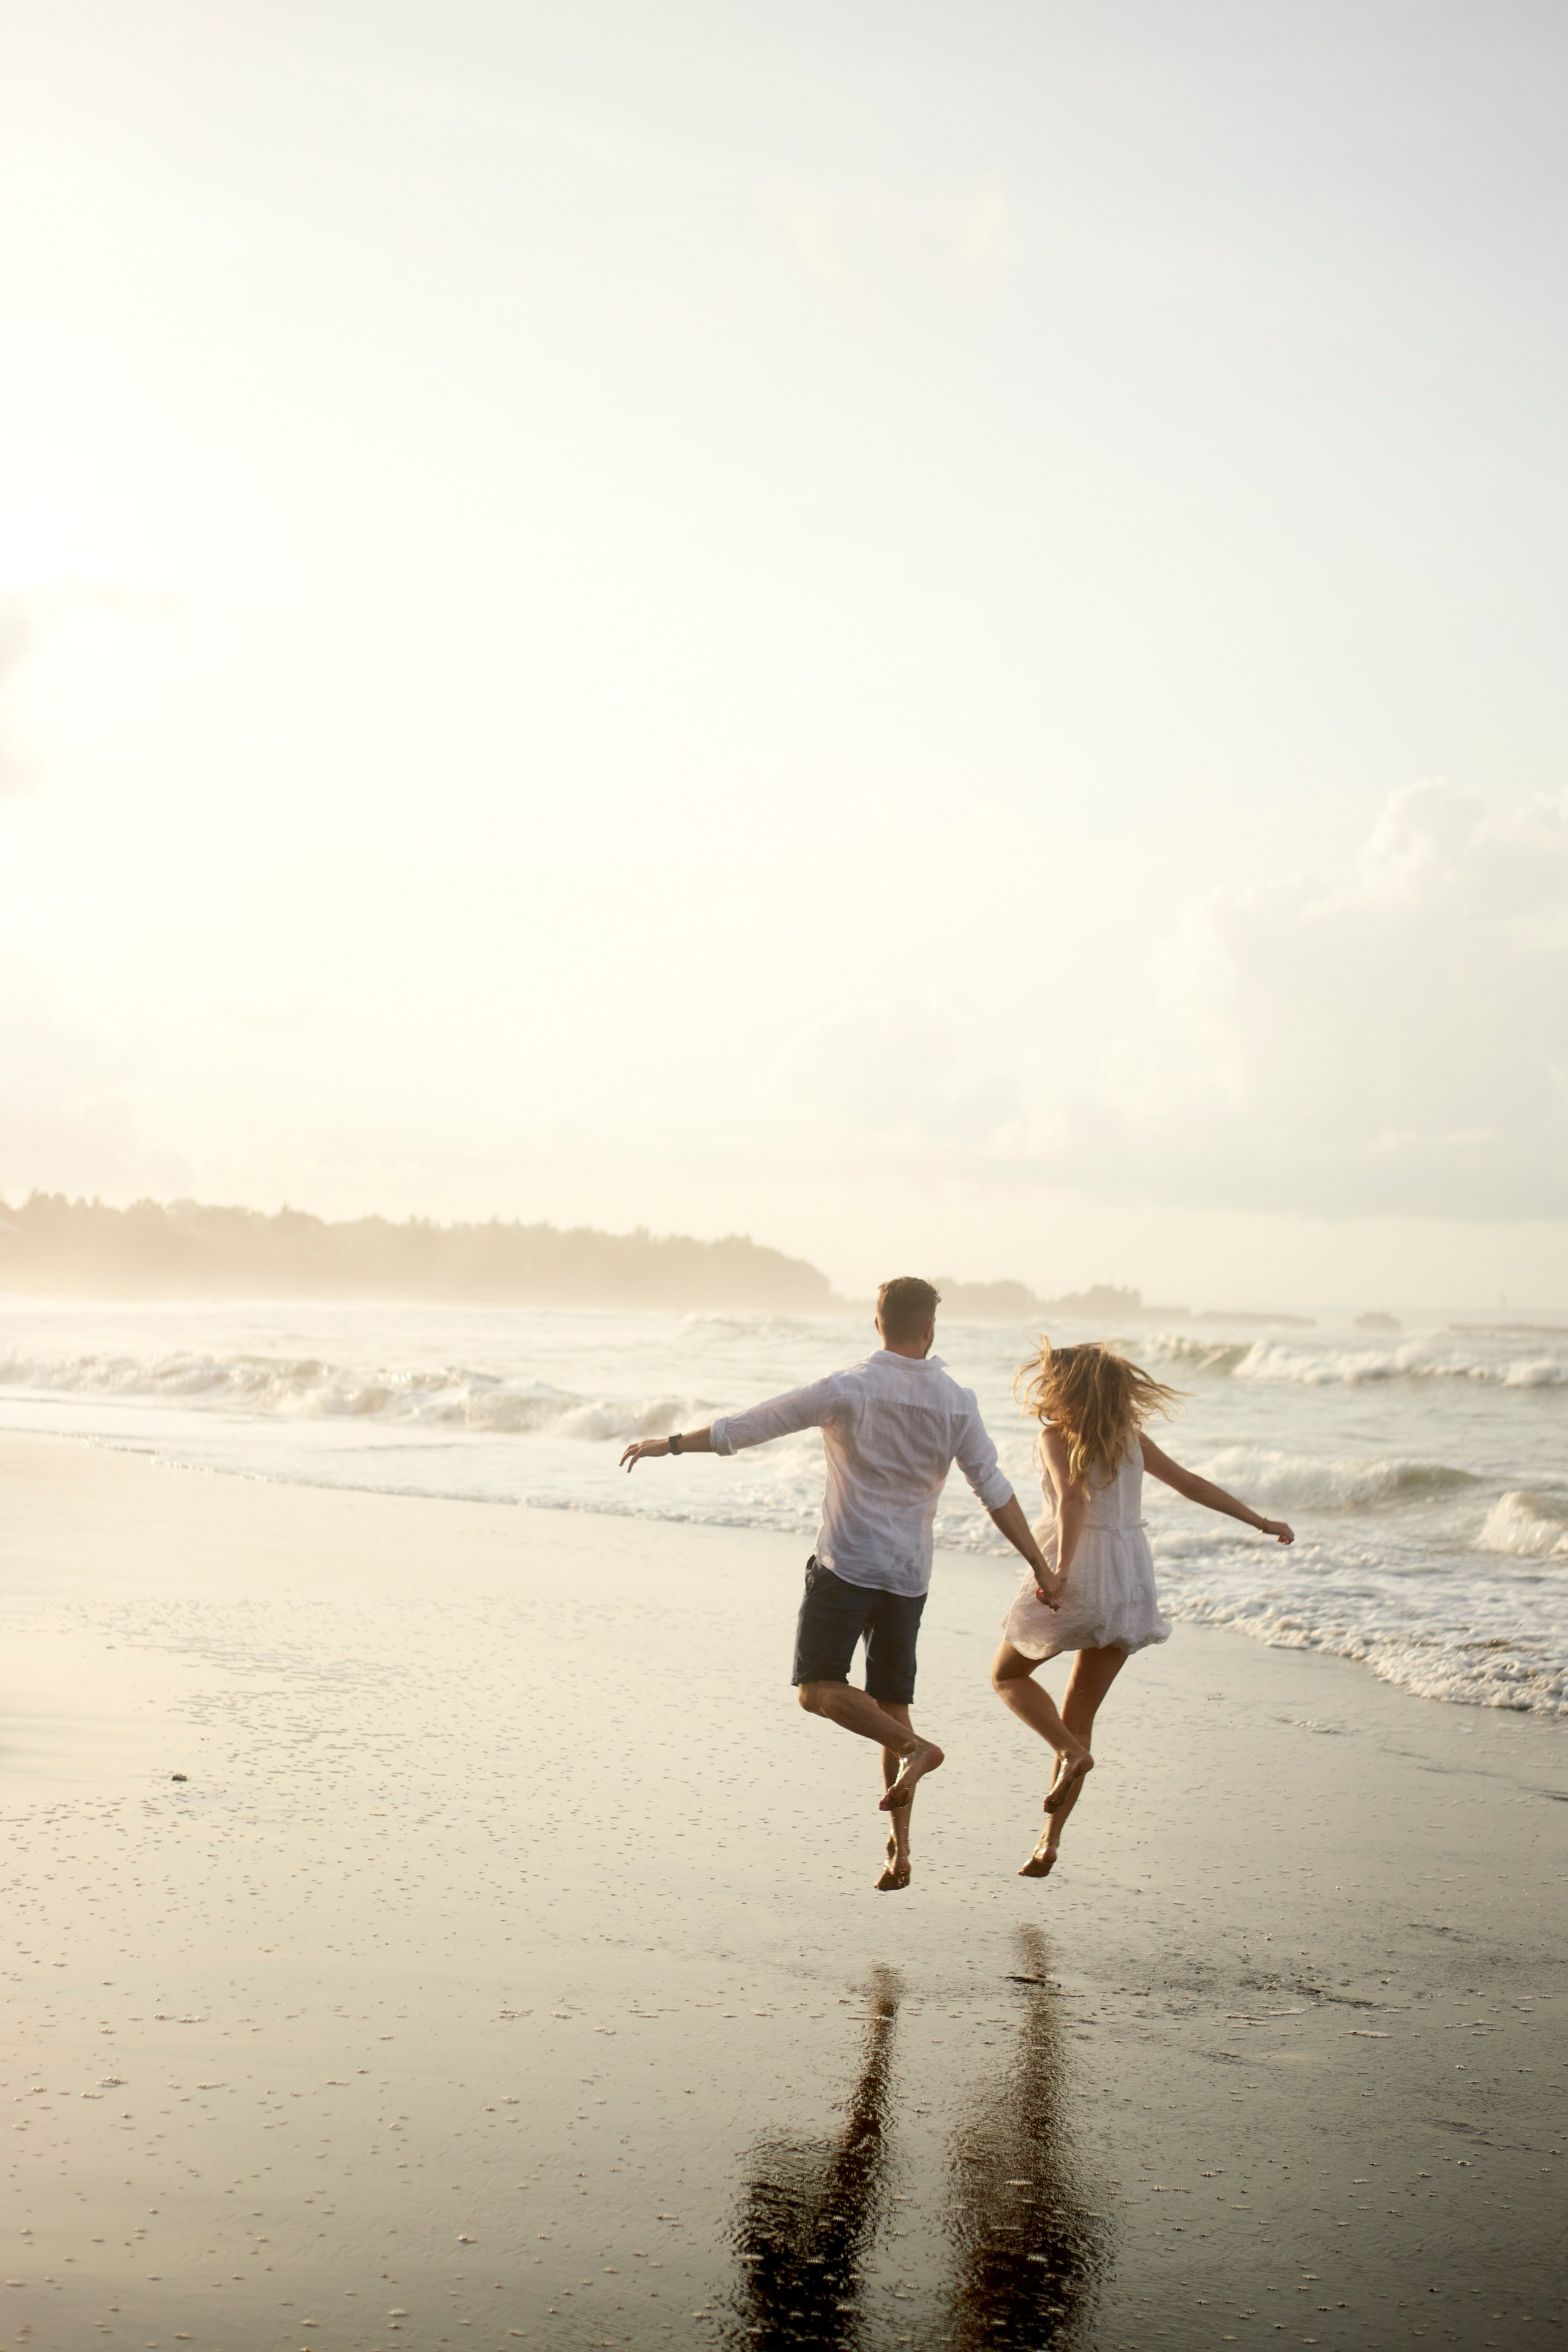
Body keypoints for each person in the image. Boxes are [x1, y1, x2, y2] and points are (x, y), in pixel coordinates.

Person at [620, 1276, 1074, 1891]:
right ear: (929, 1329)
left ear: (877, 1323)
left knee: (816, 1689)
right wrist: (1042, 1568)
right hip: (909, 1577)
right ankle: (900, 1851)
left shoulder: (848, 1388)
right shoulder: (957, 1401)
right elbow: (993, 1490)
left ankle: (916, 1753)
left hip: (847, 1565)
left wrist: (670, 1444)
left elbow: (751, 1426)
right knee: (889, 1705)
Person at [993, 1338, 1295, 1880]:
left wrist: (1058, 1574)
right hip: (1130, 1577)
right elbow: (1192, 1485)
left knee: (1008, 1675)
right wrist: (1261, 1521)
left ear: (1068, 1389)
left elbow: (1072, 1501)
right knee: (1080, 1716)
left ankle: (1066, 1754)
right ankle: (1049, 1842)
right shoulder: (1130, 1438)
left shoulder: (1054, 1437)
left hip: (1081, 1567)